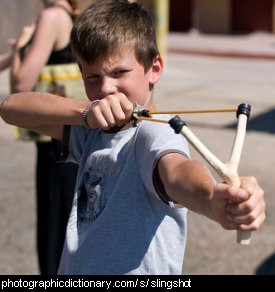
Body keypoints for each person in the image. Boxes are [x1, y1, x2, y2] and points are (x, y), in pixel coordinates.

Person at [0, 0, 265, 275]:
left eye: (119, 73)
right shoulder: (92, 129)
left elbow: (178, 173)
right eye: (92, 76)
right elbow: (11, 108)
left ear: (155, 69)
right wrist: (86, 111)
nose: (106, 88)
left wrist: (212, 198)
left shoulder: (155, 132)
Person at [9, 0, 86, 275]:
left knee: (54, 223)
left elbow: (21, 85)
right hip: (74, 134)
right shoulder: (70, 17)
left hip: (54, 140)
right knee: (71, 216)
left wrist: (19, 49)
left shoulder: (51, 16)